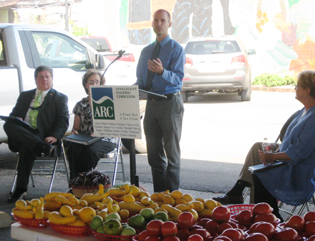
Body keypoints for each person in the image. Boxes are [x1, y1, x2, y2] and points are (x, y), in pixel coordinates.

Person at [214, 70, 315, 220]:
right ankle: (242, 194)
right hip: (286, 159)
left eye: (297, 86)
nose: (295, 88)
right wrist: (272, 154)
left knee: (260, 172)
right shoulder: (303, 111)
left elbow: (297, 153)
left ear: (307, 91)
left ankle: (269, 215)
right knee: (258, 148)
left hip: (298, 171)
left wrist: (273, 156)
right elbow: (287, 140)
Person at [134, 9, 185, 192]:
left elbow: (179, 80)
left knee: (172, 154)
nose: (159, 23)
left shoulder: (176, 49)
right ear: (152, 24)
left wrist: (162, 72)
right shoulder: (146, 51)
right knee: (154, 155)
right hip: (152, 105)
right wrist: (127, 92)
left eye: (163, 20)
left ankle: (172, 199)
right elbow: (140, 81)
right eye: (156, 20)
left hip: (170, 104)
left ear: (169, 24)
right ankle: (159, 196)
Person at [4, 65, 69, 202]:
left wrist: (55, 137)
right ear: (35, 80)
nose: (44, 79)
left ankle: (20, 189)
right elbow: (13, 116)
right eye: (41, 77)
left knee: (27, 147)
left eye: (47, 76)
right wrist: (18, 119)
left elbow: (63, 121)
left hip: (43, 135)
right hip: (24, 133)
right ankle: (39, 146)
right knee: (8, 124)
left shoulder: (59, 98)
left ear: (52, 79)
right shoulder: (25, 96)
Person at [66, 69, 117, 180]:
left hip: (105, 139)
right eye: (91, 82)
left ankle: (87, 182)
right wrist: (74, 132)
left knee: (90, 151)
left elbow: (114, 126)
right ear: (86, 85)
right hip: (85, 139)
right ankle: (75, 182)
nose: (94, 84)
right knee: (72, 149)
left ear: (101, 84)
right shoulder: (81, 104)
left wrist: (100, 131)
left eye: (97, 82)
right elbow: (76, 127)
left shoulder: (109, 101)